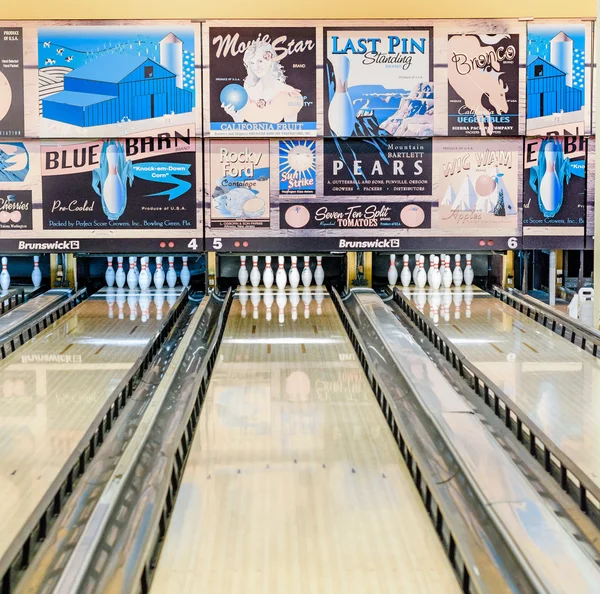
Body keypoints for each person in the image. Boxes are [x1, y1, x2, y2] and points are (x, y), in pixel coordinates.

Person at [222, 39, 304, 123]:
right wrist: (234, 115)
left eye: (260, 61)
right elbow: (239, 125)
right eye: (252, 63)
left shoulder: (289, 94)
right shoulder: (246, 92)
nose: (256, 67)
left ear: (271, 61)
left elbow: (292, 130)